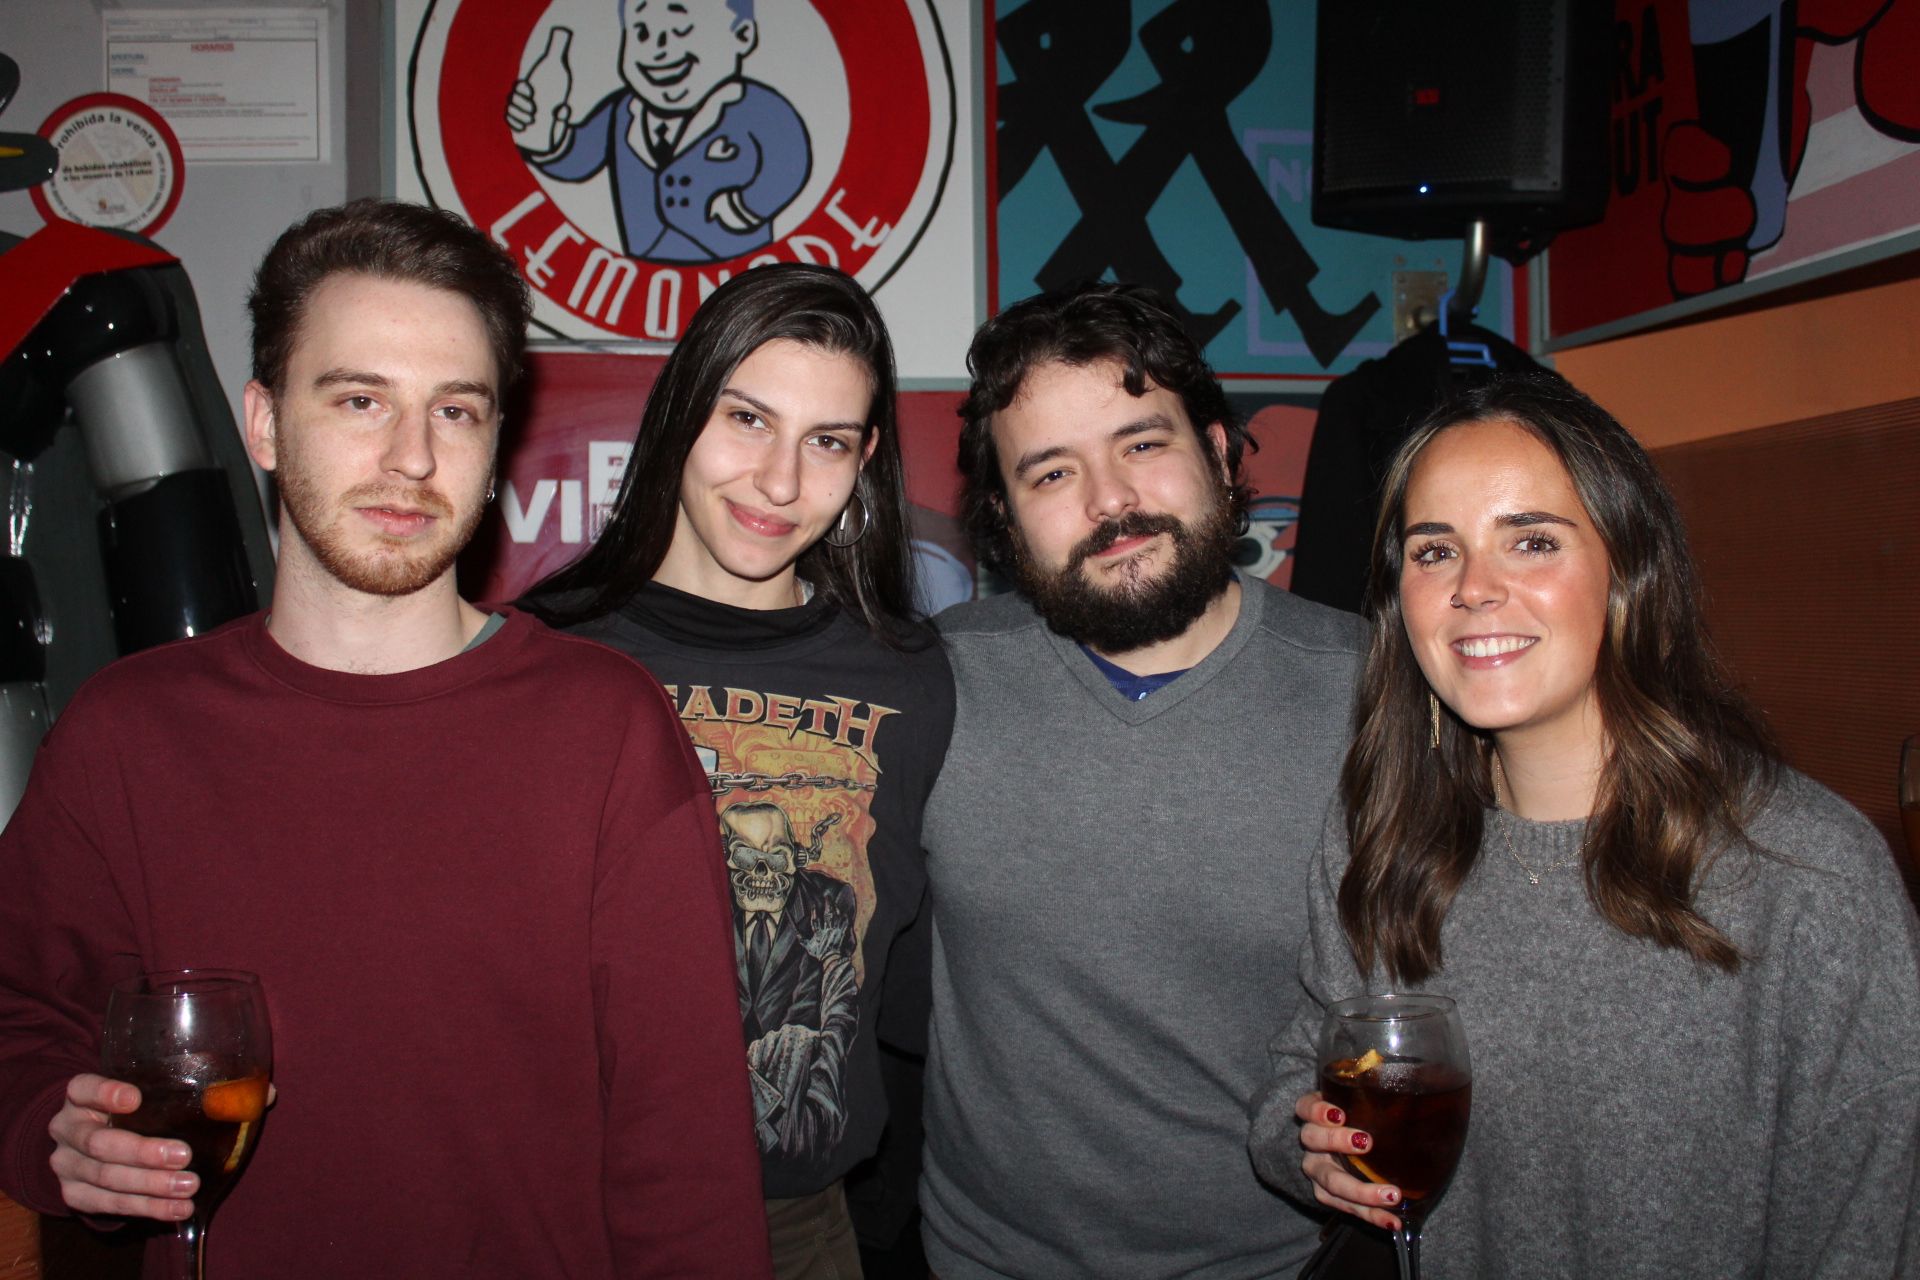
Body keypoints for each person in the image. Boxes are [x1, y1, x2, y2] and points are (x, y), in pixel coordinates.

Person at [0, 199, 772, 1277]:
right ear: (264, 423)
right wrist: (55, 1131)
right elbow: (22, 1015)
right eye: (361, 399)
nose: (411, 456)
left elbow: (686, 1158)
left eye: (456, 410)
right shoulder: (128, 732)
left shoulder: (607, 730)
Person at [1249, 372, 1920, 1276]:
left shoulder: (1808, 877)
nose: (1474, 589)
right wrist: (1314, 1151)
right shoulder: (1383, 831)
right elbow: (1307, 1065)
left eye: (1530, 541)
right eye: (1435, 551)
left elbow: (1867, 1240)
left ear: (1627, 571)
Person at [920, 282, 1365, 1278]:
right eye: (1050, 472)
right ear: (1001, 515)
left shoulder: (1380, 696)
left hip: (1282, 1265)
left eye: (1142, 442)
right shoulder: (933, 684)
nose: (1110, 499)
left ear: (1217, 449)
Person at [524, 262, 953, 1278]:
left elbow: (920, 987)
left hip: (798, 1225)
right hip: (564, 1212)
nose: (779, 482)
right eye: (747, 418)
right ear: (680, 410)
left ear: (866, 460)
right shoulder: (541, 660)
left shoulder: (910, 680)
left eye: (828, 441)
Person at [507, 0, 811, 263]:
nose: (659, 48)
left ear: (742, 36)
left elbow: (788, 161)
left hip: (735, 266)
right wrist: (545, 138)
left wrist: (745, 207)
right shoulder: (620, 111)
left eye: (680, 30)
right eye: (641, 33)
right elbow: (577, 159)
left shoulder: (758, 108)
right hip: (644, 253)